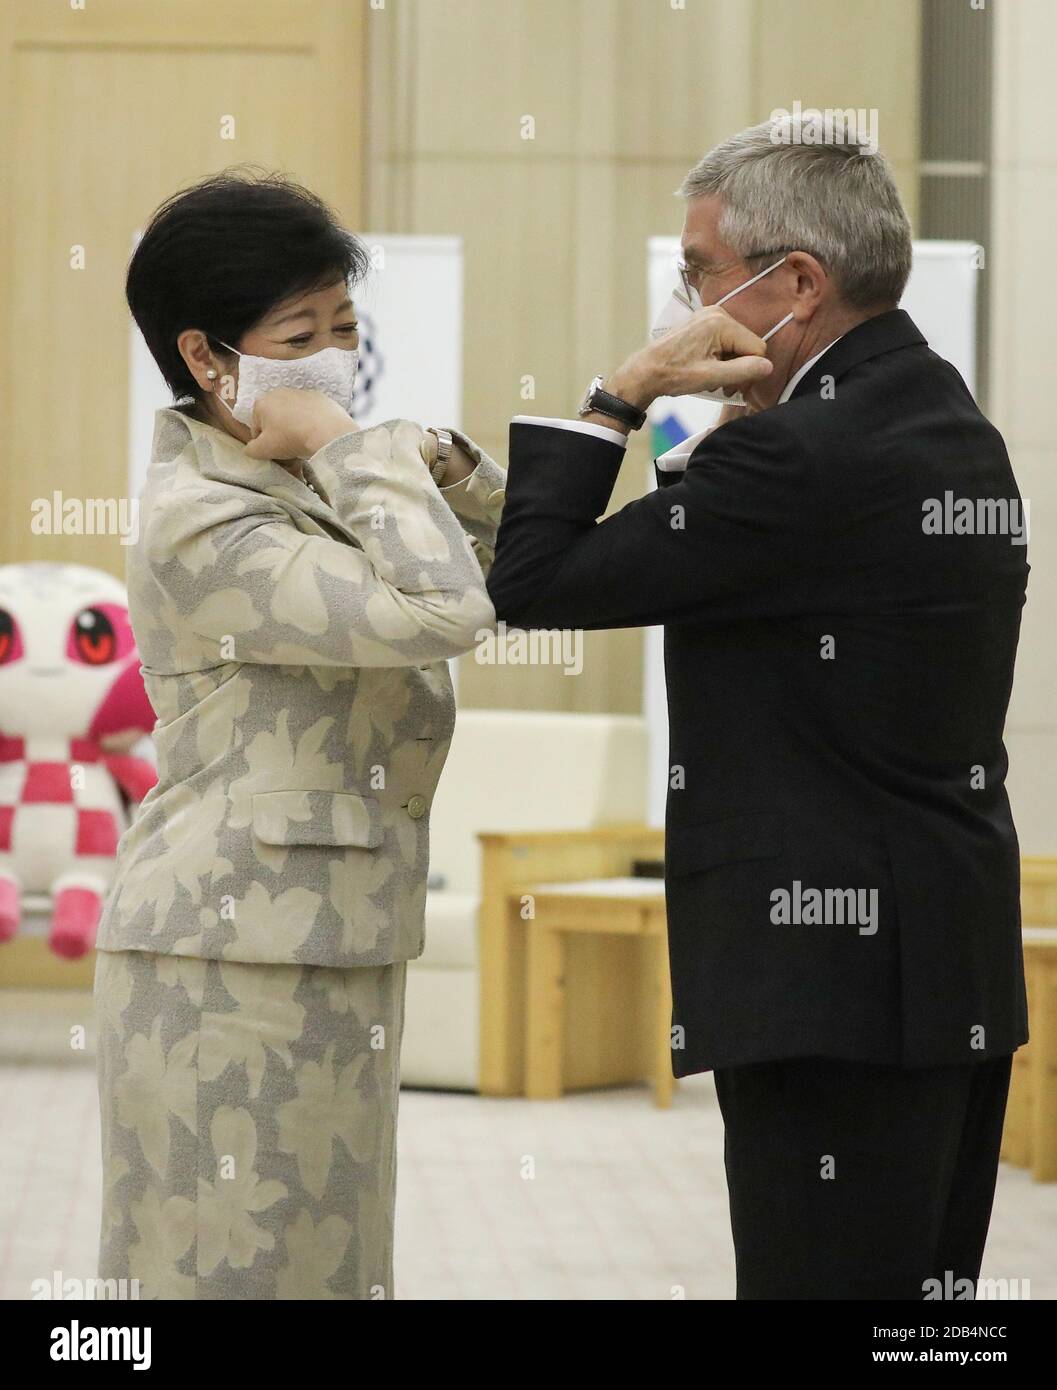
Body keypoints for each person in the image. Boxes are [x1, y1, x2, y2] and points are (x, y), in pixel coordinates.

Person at [486, 120, 1028, 1300]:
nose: (686, 302)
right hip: (945, 967)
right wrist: (731, 443)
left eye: (697, 271)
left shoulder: (797, 460)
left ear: (794, 284)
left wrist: (618, 394)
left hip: (825, 987)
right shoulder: (944, 419)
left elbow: (532, 580)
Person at [94, 169, 505, 1299]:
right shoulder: (206, 518)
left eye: (345, 327)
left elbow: (511, 564)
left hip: (331, 936)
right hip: (220, 959)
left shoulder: (307, 478)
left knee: (327, 1267)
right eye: (299, 334)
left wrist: (434, 456)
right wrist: (353, 444)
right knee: (218, 1272)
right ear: (207, 356)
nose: (333, 357)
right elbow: (443, 609)